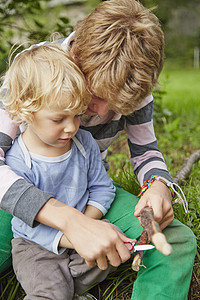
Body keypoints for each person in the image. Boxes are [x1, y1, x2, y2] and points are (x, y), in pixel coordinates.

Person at [0, 0, 196, 299]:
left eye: (116, 104)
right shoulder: (34, 70)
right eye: (93, 94)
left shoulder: (130, 84)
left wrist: (157, 185)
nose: (101, 111)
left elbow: (145, 151)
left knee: (175, 240)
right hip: (15, 200)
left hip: (85, 190)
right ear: (75, 53)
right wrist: (69, 221)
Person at [2, 43, 132, 299]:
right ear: (24, 109)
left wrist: (87, 224)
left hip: (82, 228)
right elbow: (27, 224)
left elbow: (102, 187)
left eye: (76, 115)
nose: (71, 128)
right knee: (52, 291)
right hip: (36, 245)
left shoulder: (84, 144)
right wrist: (74, 236)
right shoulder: (19, 160)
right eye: (58, 119)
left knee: (112, 249)